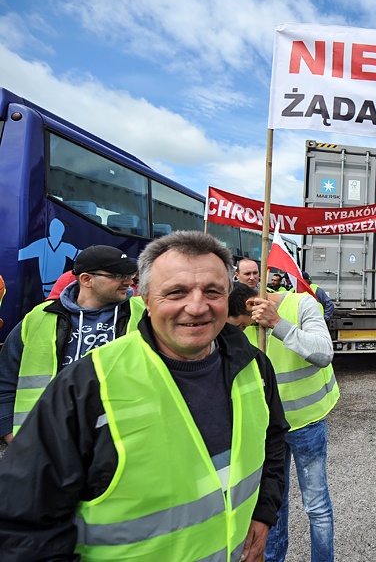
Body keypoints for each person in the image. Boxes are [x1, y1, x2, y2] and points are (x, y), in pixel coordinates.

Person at [0, 230, 289, 561]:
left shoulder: (254, 366)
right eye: (176, 292)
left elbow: (273, 441)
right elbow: (25, 529)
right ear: (146, 300)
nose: (196, 307)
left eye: (212, 291)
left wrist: (264, 513)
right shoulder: (87, 385)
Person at [227, 279, 337, 562]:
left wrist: (277, 323)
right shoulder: (239, 321)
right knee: (272, 505)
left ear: (252, 305)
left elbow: (324, 353)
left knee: (316, 506)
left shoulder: (302, 304)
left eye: (241, 325)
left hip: (306, 423)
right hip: (267, 428)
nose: (240, 331)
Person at [0, 245, 145, 443]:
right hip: (43, 444)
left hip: (121, 443)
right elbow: (6, 381)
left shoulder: (147, 315)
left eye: (131, 275)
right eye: (118, 275)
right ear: (86, 279)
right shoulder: (38, 318)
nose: (129, 282)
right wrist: (13, 437)